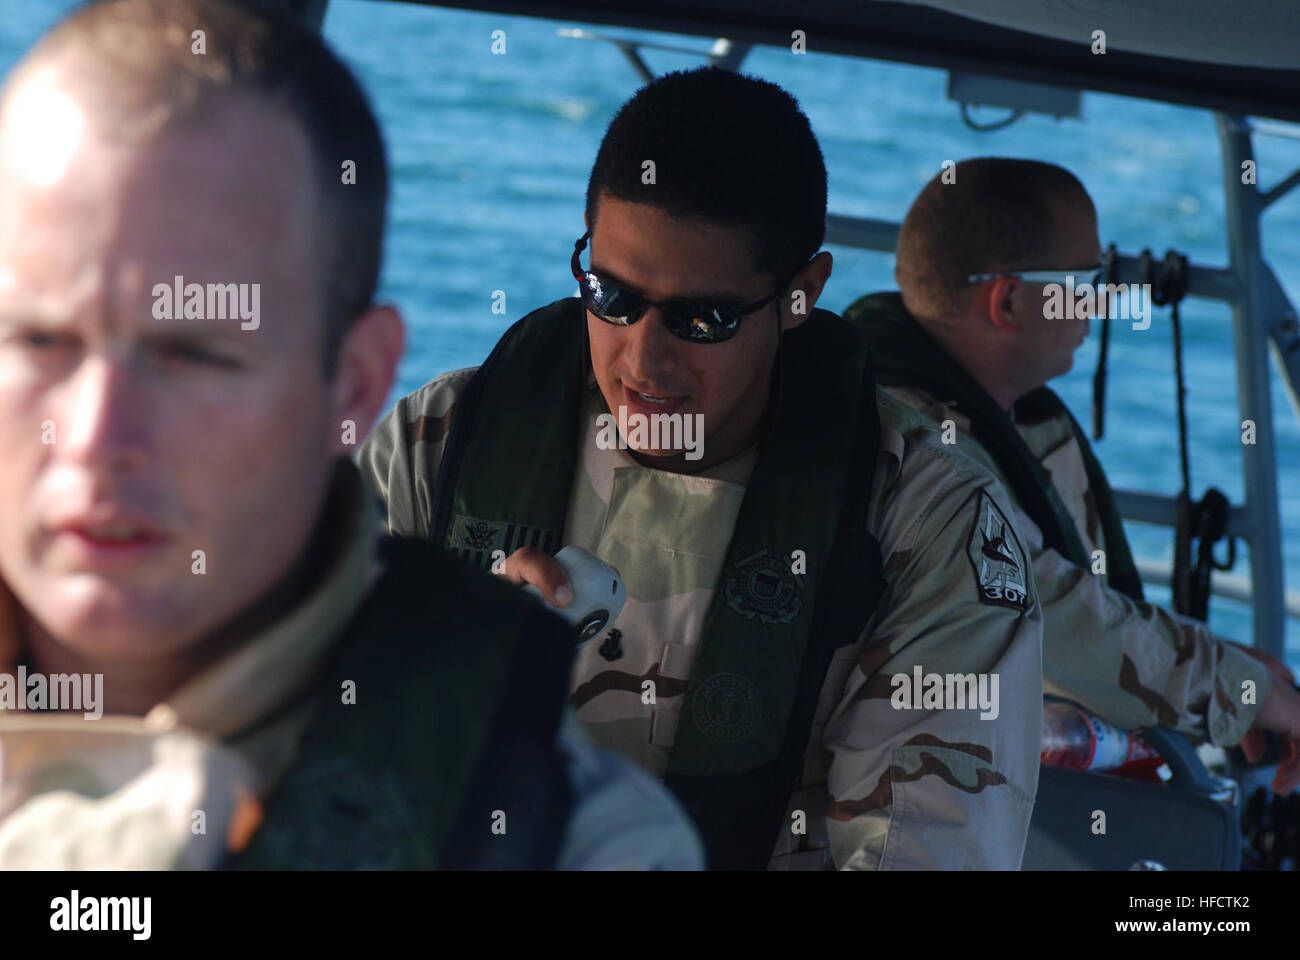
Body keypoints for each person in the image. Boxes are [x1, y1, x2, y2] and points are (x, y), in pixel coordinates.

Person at [0, 0, 703, 870]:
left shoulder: (570, 837)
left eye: (196, 354)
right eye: (37, 339)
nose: (97, 435)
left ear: (357, 383)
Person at [361, 67, 1044, 870]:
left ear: (800, 296)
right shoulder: (438, 446)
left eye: (703, 318)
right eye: (612, 297)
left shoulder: (924, 528)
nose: (643, 362)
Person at [843, 157, 1300, 794]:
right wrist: (1239, 690)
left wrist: (1226, 672)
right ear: (1008, 301)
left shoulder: (1011, 417)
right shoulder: (921, 450)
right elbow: (1049, 622)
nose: (1103, 299)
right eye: (1088, 279)